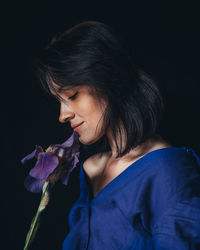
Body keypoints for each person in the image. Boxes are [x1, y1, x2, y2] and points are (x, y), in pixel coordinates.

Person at [36, 21, 200, 249]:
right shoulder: (91, 169)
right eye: (59, 101)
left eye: (72, 95)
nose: (62, 115)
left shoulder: (167, 170)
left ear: (109, 81)